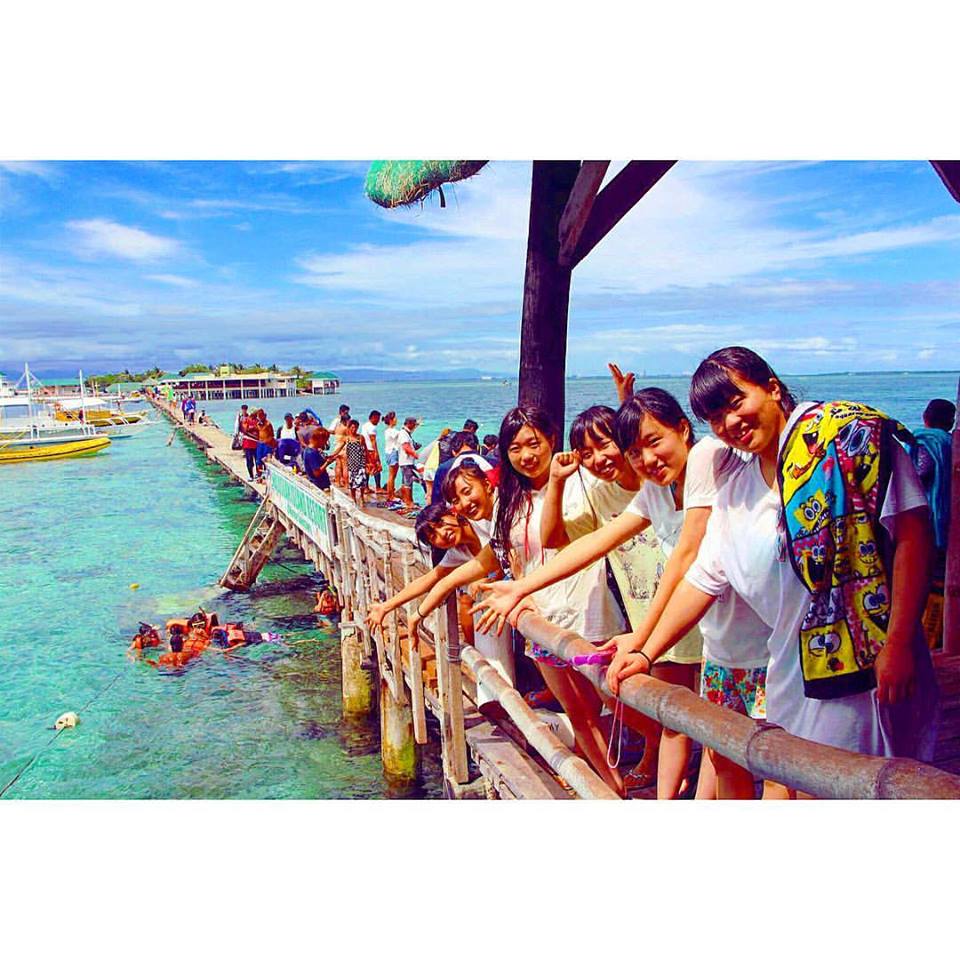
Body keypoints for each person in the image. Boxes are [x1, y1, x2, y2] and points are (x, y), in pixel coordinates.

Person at [614, 347, 940, 794]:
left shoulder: (845, 440)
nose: (730, 422)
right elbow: (704, 578)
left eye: (736, 403)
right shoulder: (737, 488)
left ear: (771, 388)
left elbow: (913, 533)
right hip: (787, 673)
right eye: (716, 417)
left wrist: (899, 643)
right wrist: (646, 652)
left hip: (862, 674)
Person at [409, 406, 628, 795]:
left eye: (533, 443)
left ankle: (641, 767)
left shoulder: (580, 479)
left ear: (551, 439)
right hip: (539, 621)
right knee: (580, 715)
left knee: (617, 703)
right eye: (515, 448)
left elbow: (624, 483)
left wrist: (625, 407)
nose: (526, 455)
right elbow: (490, 561)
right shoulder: (510, 500)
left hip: (587, 614)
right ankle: (611, 789)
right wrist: (419, 612)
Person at [367, 479, 515, 715]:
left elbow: (507, 551)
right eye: (432, 536)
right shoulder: (457, 551)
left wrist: (492, 578)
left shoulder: (483, 523)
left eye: (439, 524)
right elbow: (430, 581)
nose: (441, 534)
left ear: (451, 513)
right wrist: (389, 607)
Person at [910, 398, 955, 648]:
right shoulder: (951, 443)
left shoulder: (924, 442)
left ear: (925, 417)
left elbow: (921, 473)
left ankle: (930, 637)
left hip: (929, 523)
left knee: (928, 580)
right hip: (949, 522)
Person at [429, 430, 490, 504]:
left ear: (453, 452)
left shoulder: (444, 468)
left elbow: (437, 502)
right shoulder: (493, 462)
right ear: (477, 448)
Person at [397, 416, 421, 509]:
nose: (415, 426)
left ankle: (406, 500)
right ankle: (408, 502)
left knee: (406, 481)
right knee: (408, 482)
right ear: (409, 424)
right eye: (414, 424)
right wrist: (416, 455)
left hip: (407, 461)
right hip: (406, 461)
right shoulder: (403, 434)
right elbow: (406, 447)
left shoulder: (406, 433)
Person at [344, 419, 368, 506]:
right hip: (351, 463)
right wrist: (333, 456)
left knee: (362, 482)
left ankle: (361, 497)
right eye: (352, 427)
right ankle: (353, 498)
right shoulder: (347, 439)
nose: (354, 429)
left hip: (360, 462)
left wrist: (368, 462)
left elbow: (365, 450)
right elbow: (340, 449)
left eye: (356, 427)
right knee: (352, 483)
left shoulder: (360, 438)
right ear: (349, 428)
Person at [360, 410, 383, 493]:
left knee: (367, 468)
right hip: (371, 450)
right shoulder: (372, 427)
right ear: (373, 418)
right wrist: (376, 453)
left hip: (364, 450)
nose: (378, 421)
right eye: (378, 419)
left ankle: (366, 487)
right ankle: (378, 488)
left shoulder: (364, 425)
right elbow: (373, 441)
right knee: (377, 468)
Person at [331, 405, 351, 487]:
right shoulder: (346, 429)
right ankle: (347, 484)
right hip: (343, 448)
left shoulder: (337, 427)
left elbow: (332, 431)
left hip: (336, 447)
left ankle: (338, 482)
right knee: (345, 466)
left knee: (338, 466)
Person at [383, 411, 401, 500]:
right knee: (392, 476)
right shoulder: (392, 431)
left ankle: (390, 494)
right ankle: (391, 495)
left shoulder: (387, 431)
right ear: (391, 420)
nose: (396, 420)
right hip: (393, 452)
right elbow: (403, 434)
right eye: (395, 418)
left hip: (389, 452)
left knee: (392, 476)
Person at [254, 409, 275, 480]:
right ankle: (259, 476)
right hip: (260, 443)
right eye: (258, 416)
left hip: (267, 444)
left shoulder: (268, 424)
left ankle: (267, 476)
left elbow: (272, 435)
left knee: (266, 460)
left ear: (264, 416)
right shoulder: (258, 424)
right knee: (258, 461)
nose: (260, 418)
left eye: (261, 416)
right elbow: (257, 433)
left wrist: (267, 441)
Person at [240, 408, 260, 480]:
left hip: (256, 443)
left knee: (258, 460)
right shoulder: (246, 420)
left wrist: (252, 428)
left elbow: (260, 429)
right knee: (249, 460)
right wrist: (254, 429)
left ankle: (258, 474)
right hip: (248, 443)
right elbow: (245, 430)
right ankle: (251, 475)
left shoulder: (258, 421)